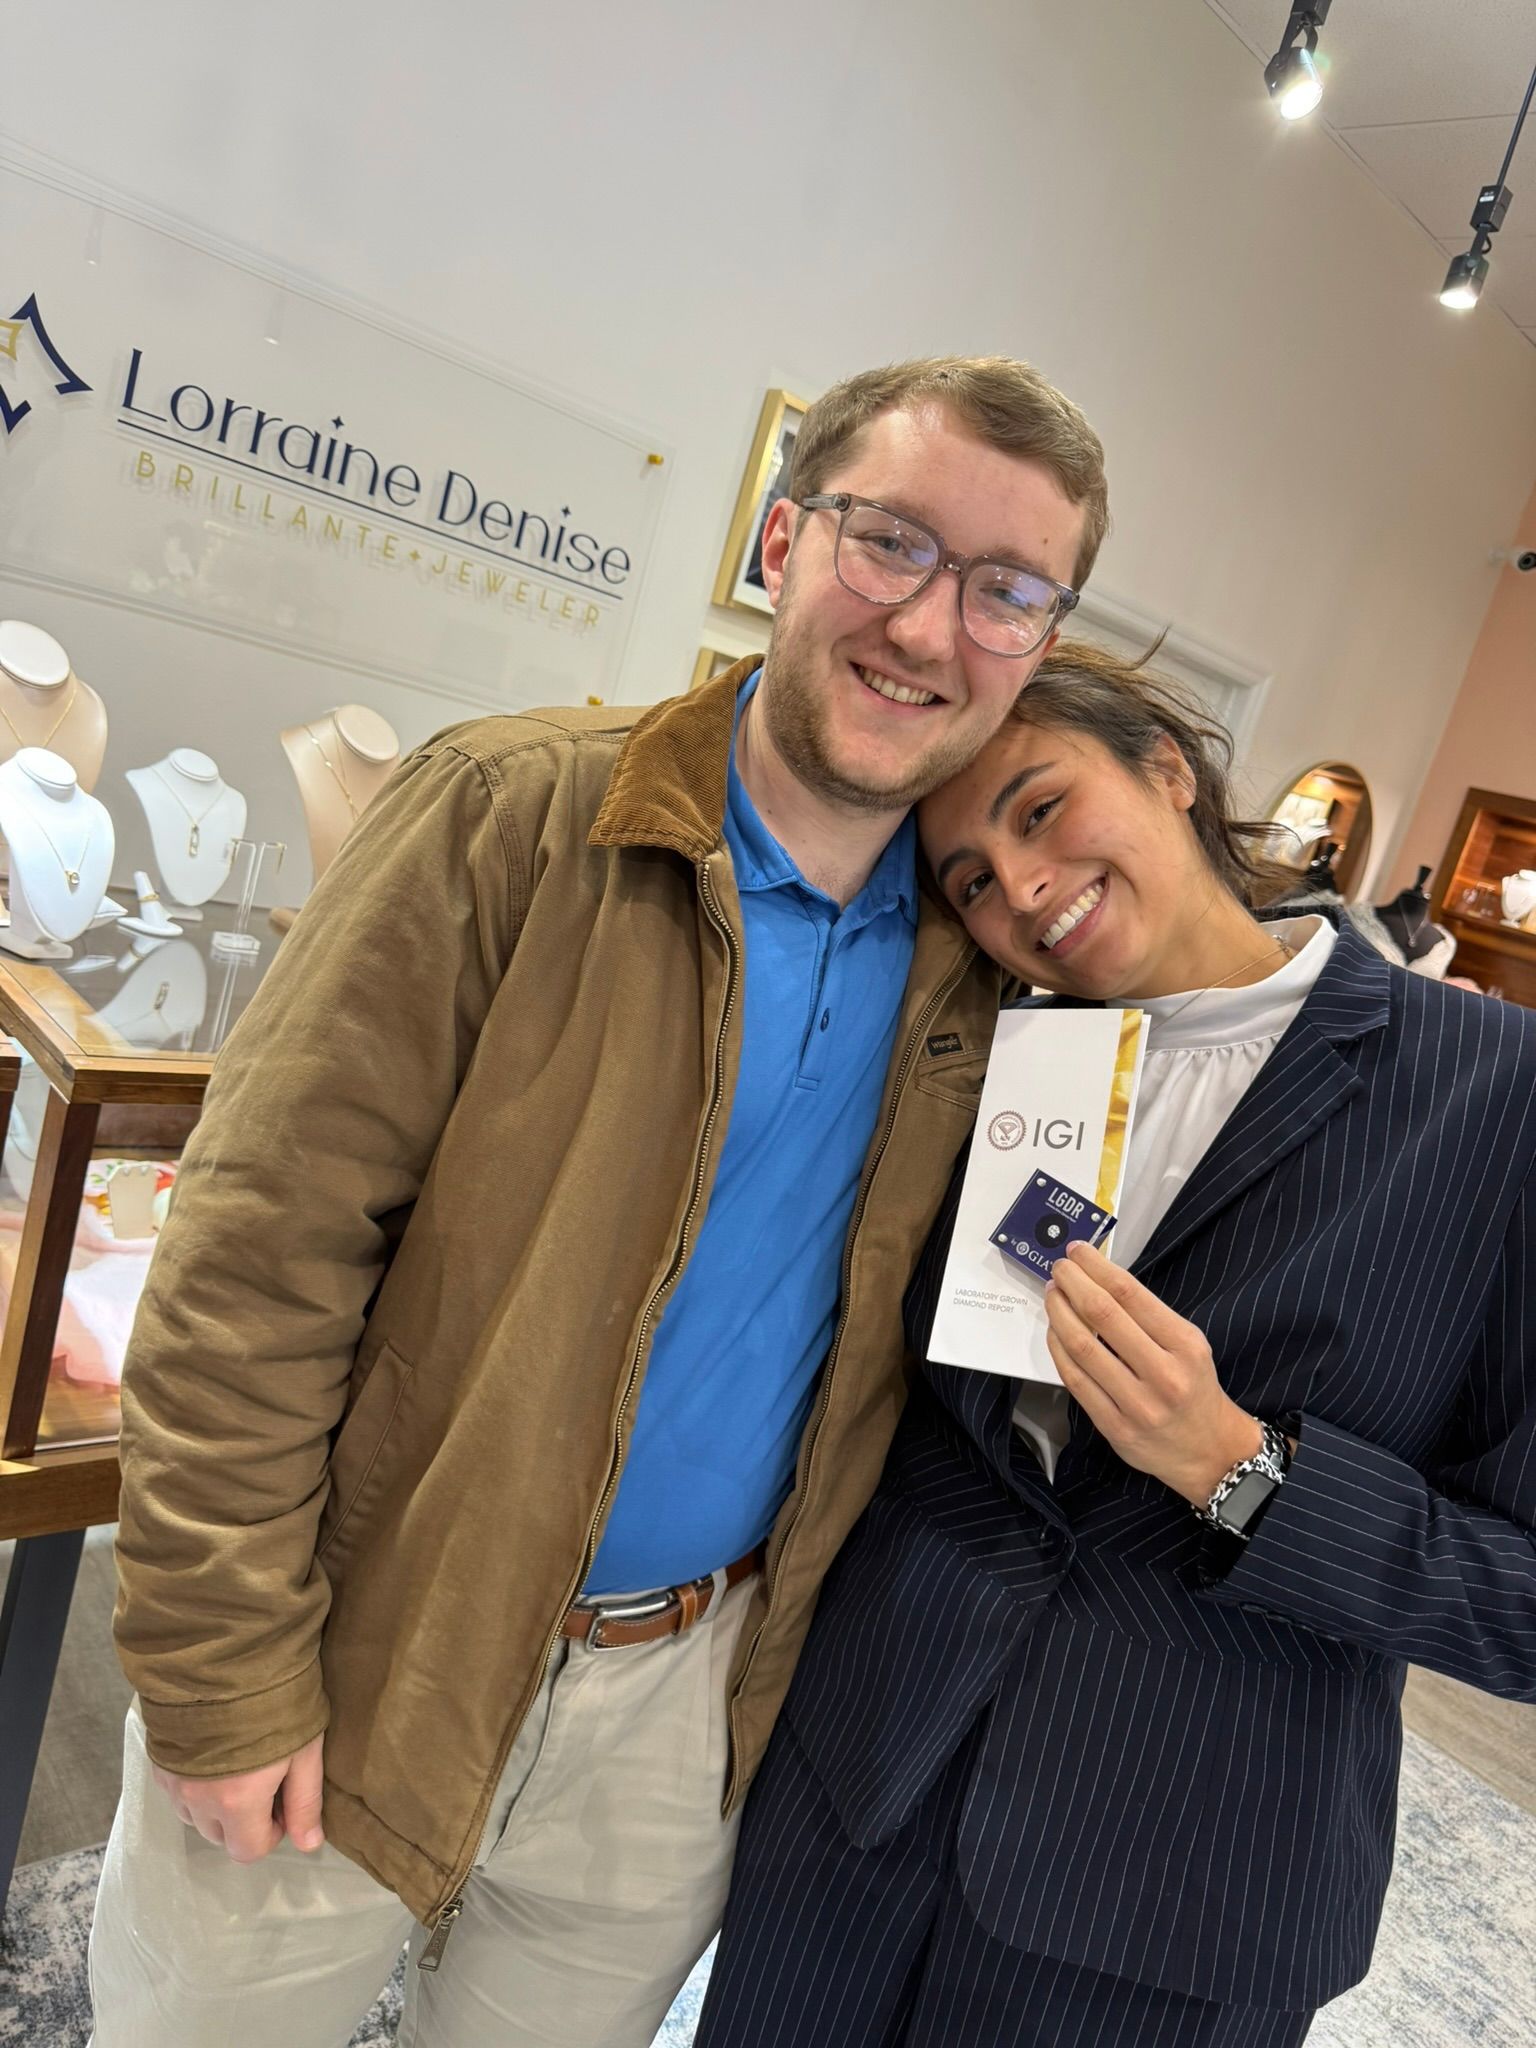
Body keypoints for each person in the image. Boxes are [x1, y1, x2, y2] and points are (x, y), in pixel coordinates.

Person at [87, 355, 1109, 2048]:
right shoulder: (512, 816)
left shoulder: (985, 975)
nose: (931, 630)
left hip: (675, 1712)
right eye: (892, 546)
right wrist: (218, 1668)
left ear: (1042, 644)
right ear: (782, 540)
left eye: (1004, 592)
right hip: (369, 1641)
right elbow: (250, 1263)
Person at [694, 640, 1536, 2048]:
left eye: (1038, 810)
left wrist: (1241, 1471)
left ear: (1166, 768)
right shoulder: (983, 1058)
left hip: (1173, 1894)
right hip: (857, 1800)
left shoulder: (1493, 1102)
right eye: (968, 877)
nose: (1019, 890)